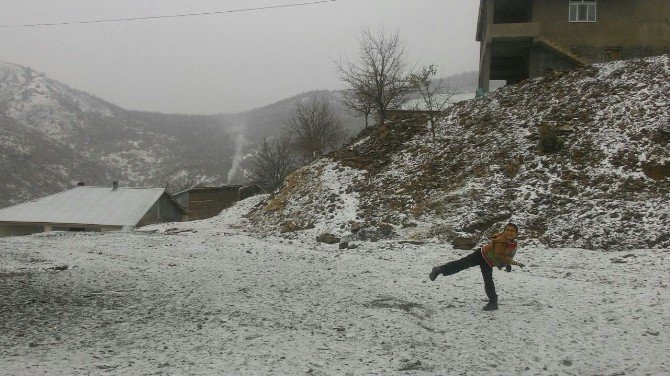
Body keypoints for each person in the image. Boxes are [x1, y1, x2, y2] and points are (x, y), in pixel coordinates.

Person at [428, 223, 524, 311]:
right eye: (507, 230)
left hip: (488, 261)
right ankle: (439, 270)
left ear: (516, 234)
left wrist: (508, 264)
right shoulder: (501, 242)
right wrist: (512, 262)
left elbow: (508, 255)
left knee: (488, 280)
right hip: (481, 255)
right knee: (462, 264)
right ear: (504, 231)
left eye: (512, 231)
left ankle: (493, 302)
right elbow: (499, 255)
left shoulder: (513, 244)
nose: (509, 232)